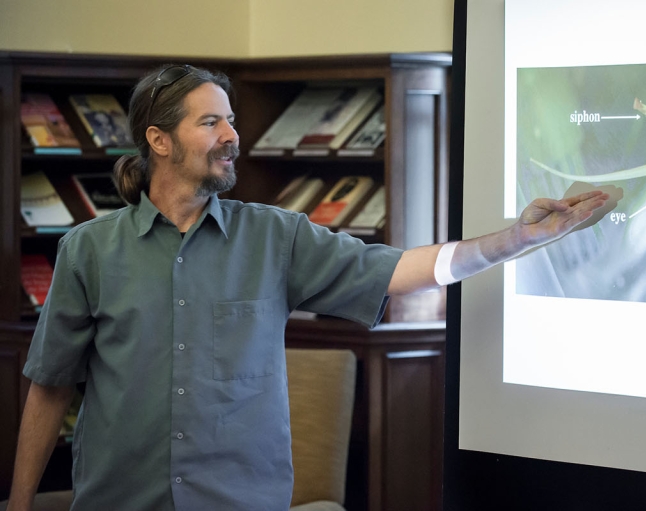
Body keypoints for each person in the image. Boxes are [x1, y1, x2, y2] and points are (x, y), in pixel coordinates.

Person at [6, 64, 609, 511]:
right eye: (210, 121)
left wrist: (515, 240)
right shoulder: (87, 249)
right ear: (159, 141)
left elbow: (397, 269)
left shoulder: (277, 237)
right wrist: (21, 504)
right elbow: (49, 387)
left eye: (232, 120)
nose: (231, 135)